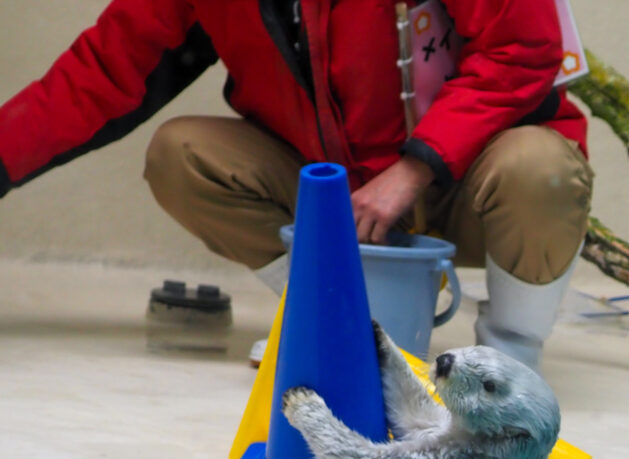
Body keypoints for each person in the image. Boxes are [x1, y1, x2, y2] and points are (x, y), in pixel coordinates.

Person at [0, 0, 594, 372]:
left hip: (470, 183)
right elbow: (102, 72)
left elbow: (522, 49)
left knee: (541, 168)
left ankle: (508, 362)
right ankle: (334, 323)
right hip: (342, 199)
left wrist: (414, 169)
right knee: (182, 155)